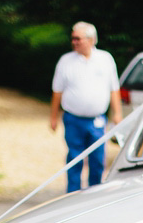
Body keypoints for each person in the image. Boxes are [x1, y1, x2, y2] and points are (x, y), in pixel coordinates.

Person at [50, 21, 122, 192]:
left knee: (97, 159)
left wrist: (117, 113)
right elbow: (57, 91)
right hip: (73, 118)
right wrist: (53, 116)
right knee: (75, 157)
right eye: (72, 38)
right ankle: (73, 194)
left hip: (97, 118)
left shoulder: (105, 59)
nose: (74, 42)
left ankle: (94, 193)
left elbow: (114, 88)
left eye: (78, 38)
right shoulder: (66, 61)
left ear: (90, 40)